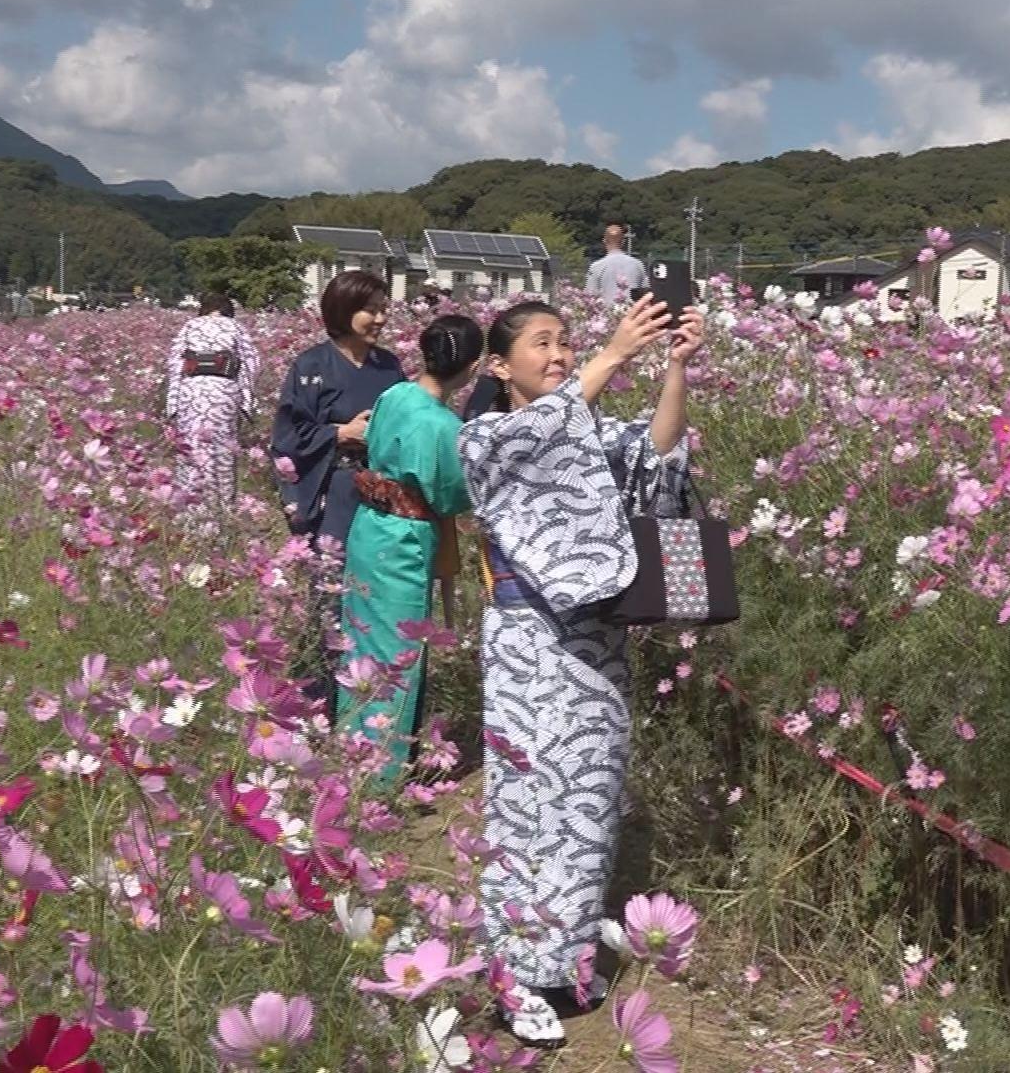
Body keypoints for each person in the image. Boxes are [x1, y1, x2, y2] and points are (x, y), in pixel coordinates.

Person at [457, 294, 703, 1046]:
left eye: (566, 342)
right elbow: (541, 436)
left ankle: (559, 960)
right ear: (499, 365)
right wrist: (613, 355)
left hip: (596, 644)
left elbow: (655, 454)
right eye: (541, 343)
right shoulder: (488, 437)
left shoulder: (581, 425)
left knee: (588, 805)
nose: (560, 353)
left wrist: (674, 368)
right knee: (531, 804)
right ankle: (513, 974)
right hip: (530, 645)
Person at [338, 315, 481, 779]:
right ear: (473, 367)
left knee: (361, 639)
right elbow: (448, 495)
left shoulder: (394, 395)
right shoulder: (443, 426)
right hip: (405, 537)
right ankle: (380, 775)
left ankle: (352, 751)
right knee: (396, 650)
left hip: (367, 526)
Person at [270, 269, 406, 698]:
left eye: (384, 309)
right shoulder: (311, 365)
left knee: (376, 593)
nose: (381, 319)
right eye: (371, 310)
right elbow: (288, 439)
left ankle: (368, 697)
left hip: (380, 492)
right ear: (343, 311)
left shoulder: (389, 366)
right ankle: (316, 698)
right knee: (328, 598)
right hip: (335, 490)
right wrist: (338, 433)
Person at [165, 291, 259, 511]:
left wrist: (173, 403)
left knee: (191, 447)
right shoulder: (235, 327)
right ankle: (222, 509)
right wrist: (246, 400)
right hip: (223, 393)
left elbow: (175, 364)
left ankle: (190, 511)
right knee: (222, 450)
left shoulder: (189, 326)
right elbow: (250, 362)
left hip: (191, 393)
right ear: (228, 311)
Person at [583, 222, 647, 304]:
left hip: (608, 314)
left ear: (604, 241)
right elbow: (645, 291)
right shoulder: (638, 264)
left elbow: (590, 295)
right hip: (634, 313)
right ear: (623, 242)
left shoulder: (596, 267)